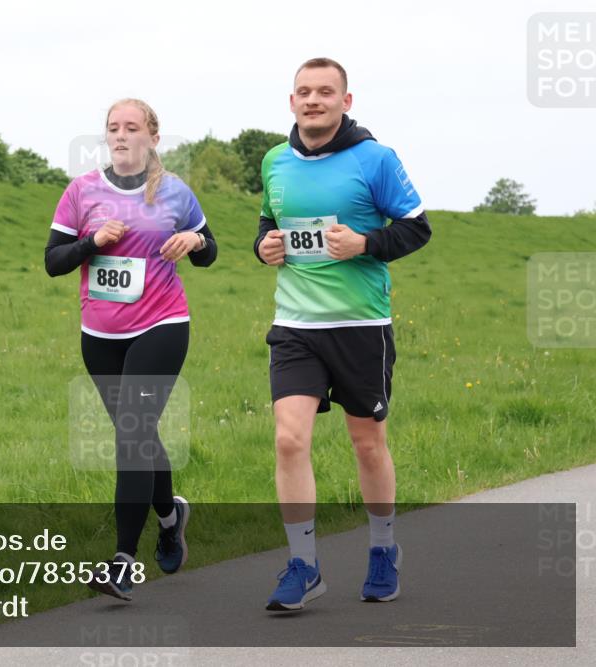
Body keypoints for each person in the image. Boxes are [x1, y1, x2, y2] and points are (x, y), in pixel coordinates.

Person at [253, 58, 432, 611]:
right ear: (291, 102)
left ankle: (383, 550)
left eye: (325, 92)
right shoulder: (274, 161)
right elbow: (268, 223)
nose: (314, 100)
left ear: (345, 102)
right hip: (295, 326)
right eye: (304, 92)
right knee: (288, 439)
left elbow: (416, 227)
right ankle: (303, 565)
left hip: (360, 327)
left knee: (367, 442)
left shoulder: (375, 159)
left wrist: (366, 244)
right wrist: (264, 247)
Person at [45, 98, 217, 600]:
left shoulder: (175, 193)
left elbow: (209, 249)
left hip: (162, 325)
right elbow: (54, 262)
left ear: (152, 139)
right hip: (100, 336)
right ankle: (171, 516)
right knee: (137, 435)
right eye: (113, 128)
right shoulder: (81, 192)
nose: (120, 135)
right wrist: (92, 241)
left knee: (133, 435)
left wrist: (194, 242)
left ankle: (123, 561)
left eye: (131, 128)